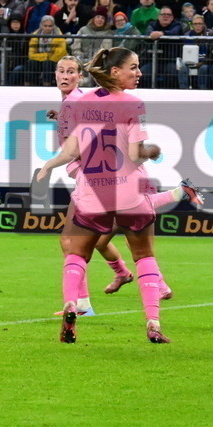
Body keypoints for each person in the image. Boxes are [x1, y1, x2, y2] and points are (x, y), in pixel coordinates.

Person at [36, 48, 173, 344]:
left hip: (91, 191)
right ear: (115, 72)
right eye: (133, 68)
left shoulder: (82, 103)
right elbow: (136, 154)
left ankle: (73, 304)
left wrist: (48, 165)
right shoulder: (133, 104)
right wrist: (151, 152)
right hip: (128, 191)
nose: (138, 73)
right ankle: (153, 322)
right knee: (145, 256)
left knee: (75, 253)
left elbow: (72, 150)